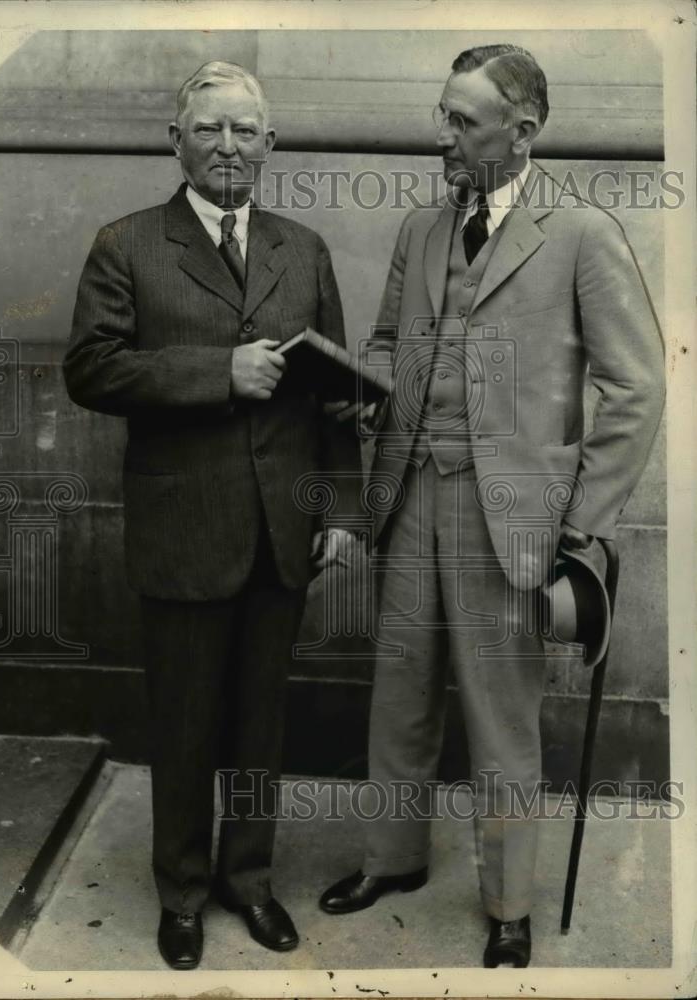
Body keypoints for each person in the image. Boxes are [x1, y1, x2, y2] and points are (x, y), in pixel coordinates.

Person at [319, 44, 665, 968]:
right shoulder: (423, 231)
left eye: (463, 121)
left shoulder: (584, 235)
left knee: (501, 718)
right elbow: (393, 343)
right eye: (443, 114)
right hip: (408, 496)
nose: (445, 135)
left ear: (524, 130)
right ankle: (391, 860)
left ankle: (508, 901)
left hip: (509, 521)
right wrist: (365, 384)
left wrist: (581, 524)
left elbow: (637, 390)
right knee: (397, 698)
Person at [64, 61, 359, 970]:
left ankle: (251, 880)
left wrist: (341, 506)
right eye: (210, 129)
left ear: (271, 146)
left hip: (282, 533)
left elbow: (336, 396)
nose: (227, 145)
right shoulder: (127, 244)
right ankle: (183, 893)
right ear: (176, 141)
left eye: (244, 130)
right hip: (184, 533)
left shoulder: (301, 249)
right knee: (188, 722)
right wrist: (214, 374)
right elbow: (91, 369)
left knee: (258, 723)